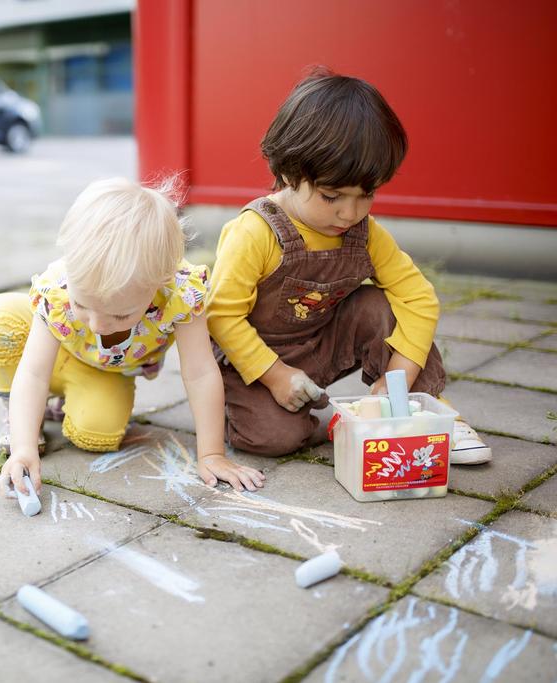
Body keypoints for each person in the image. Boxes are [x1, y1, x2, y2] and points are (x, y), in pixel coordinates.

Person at [206, 68, 491, 464]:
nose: (349, 212)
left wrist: (400, 377)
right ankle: (232, 406)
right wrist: (275, 376)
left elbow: (418, 299)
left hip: (324, 342)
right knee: (275, 439)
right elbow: (221, 316)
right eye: (331, 195)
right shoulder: (255, 233)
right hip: (254, 356)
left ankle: (428, 411)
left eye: (366, 194)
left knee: (379, 305)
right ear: (289, 173)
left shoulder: (365, 233)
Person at [0, 177, 266, 498]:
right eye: (83, 305)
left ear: (160, 281)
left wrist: (212, 454)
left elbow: (200, 373)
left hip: (101, 370)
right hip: (49, 355)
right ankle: (17, 414)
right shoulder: (58, 289)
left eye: (120, 315)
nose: (98, 325)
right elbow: (33, 372)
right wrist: (23, 448)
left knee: (97, 434)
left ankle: (59, 402)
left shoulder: (179, 292)